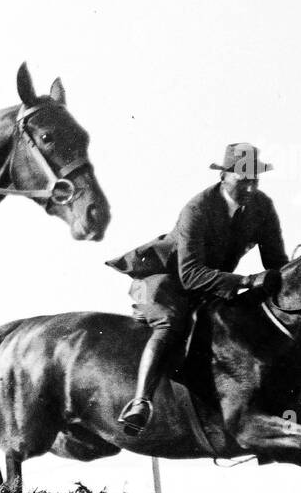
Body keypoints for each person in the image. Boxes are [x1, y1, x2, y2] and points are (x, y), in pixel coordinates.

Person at [106, 143, 290, 435]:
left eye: (255, 180)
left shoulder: (262, 207)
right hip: (164, 281)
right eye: (243, 179)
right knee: (171, 323)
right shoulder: (198, 208)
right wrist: (244, 281)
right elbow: (190, 275)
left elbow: (277, 263)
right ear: (224, 177)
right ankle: (140, 403)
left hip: (210, 282)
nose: (251, 187)